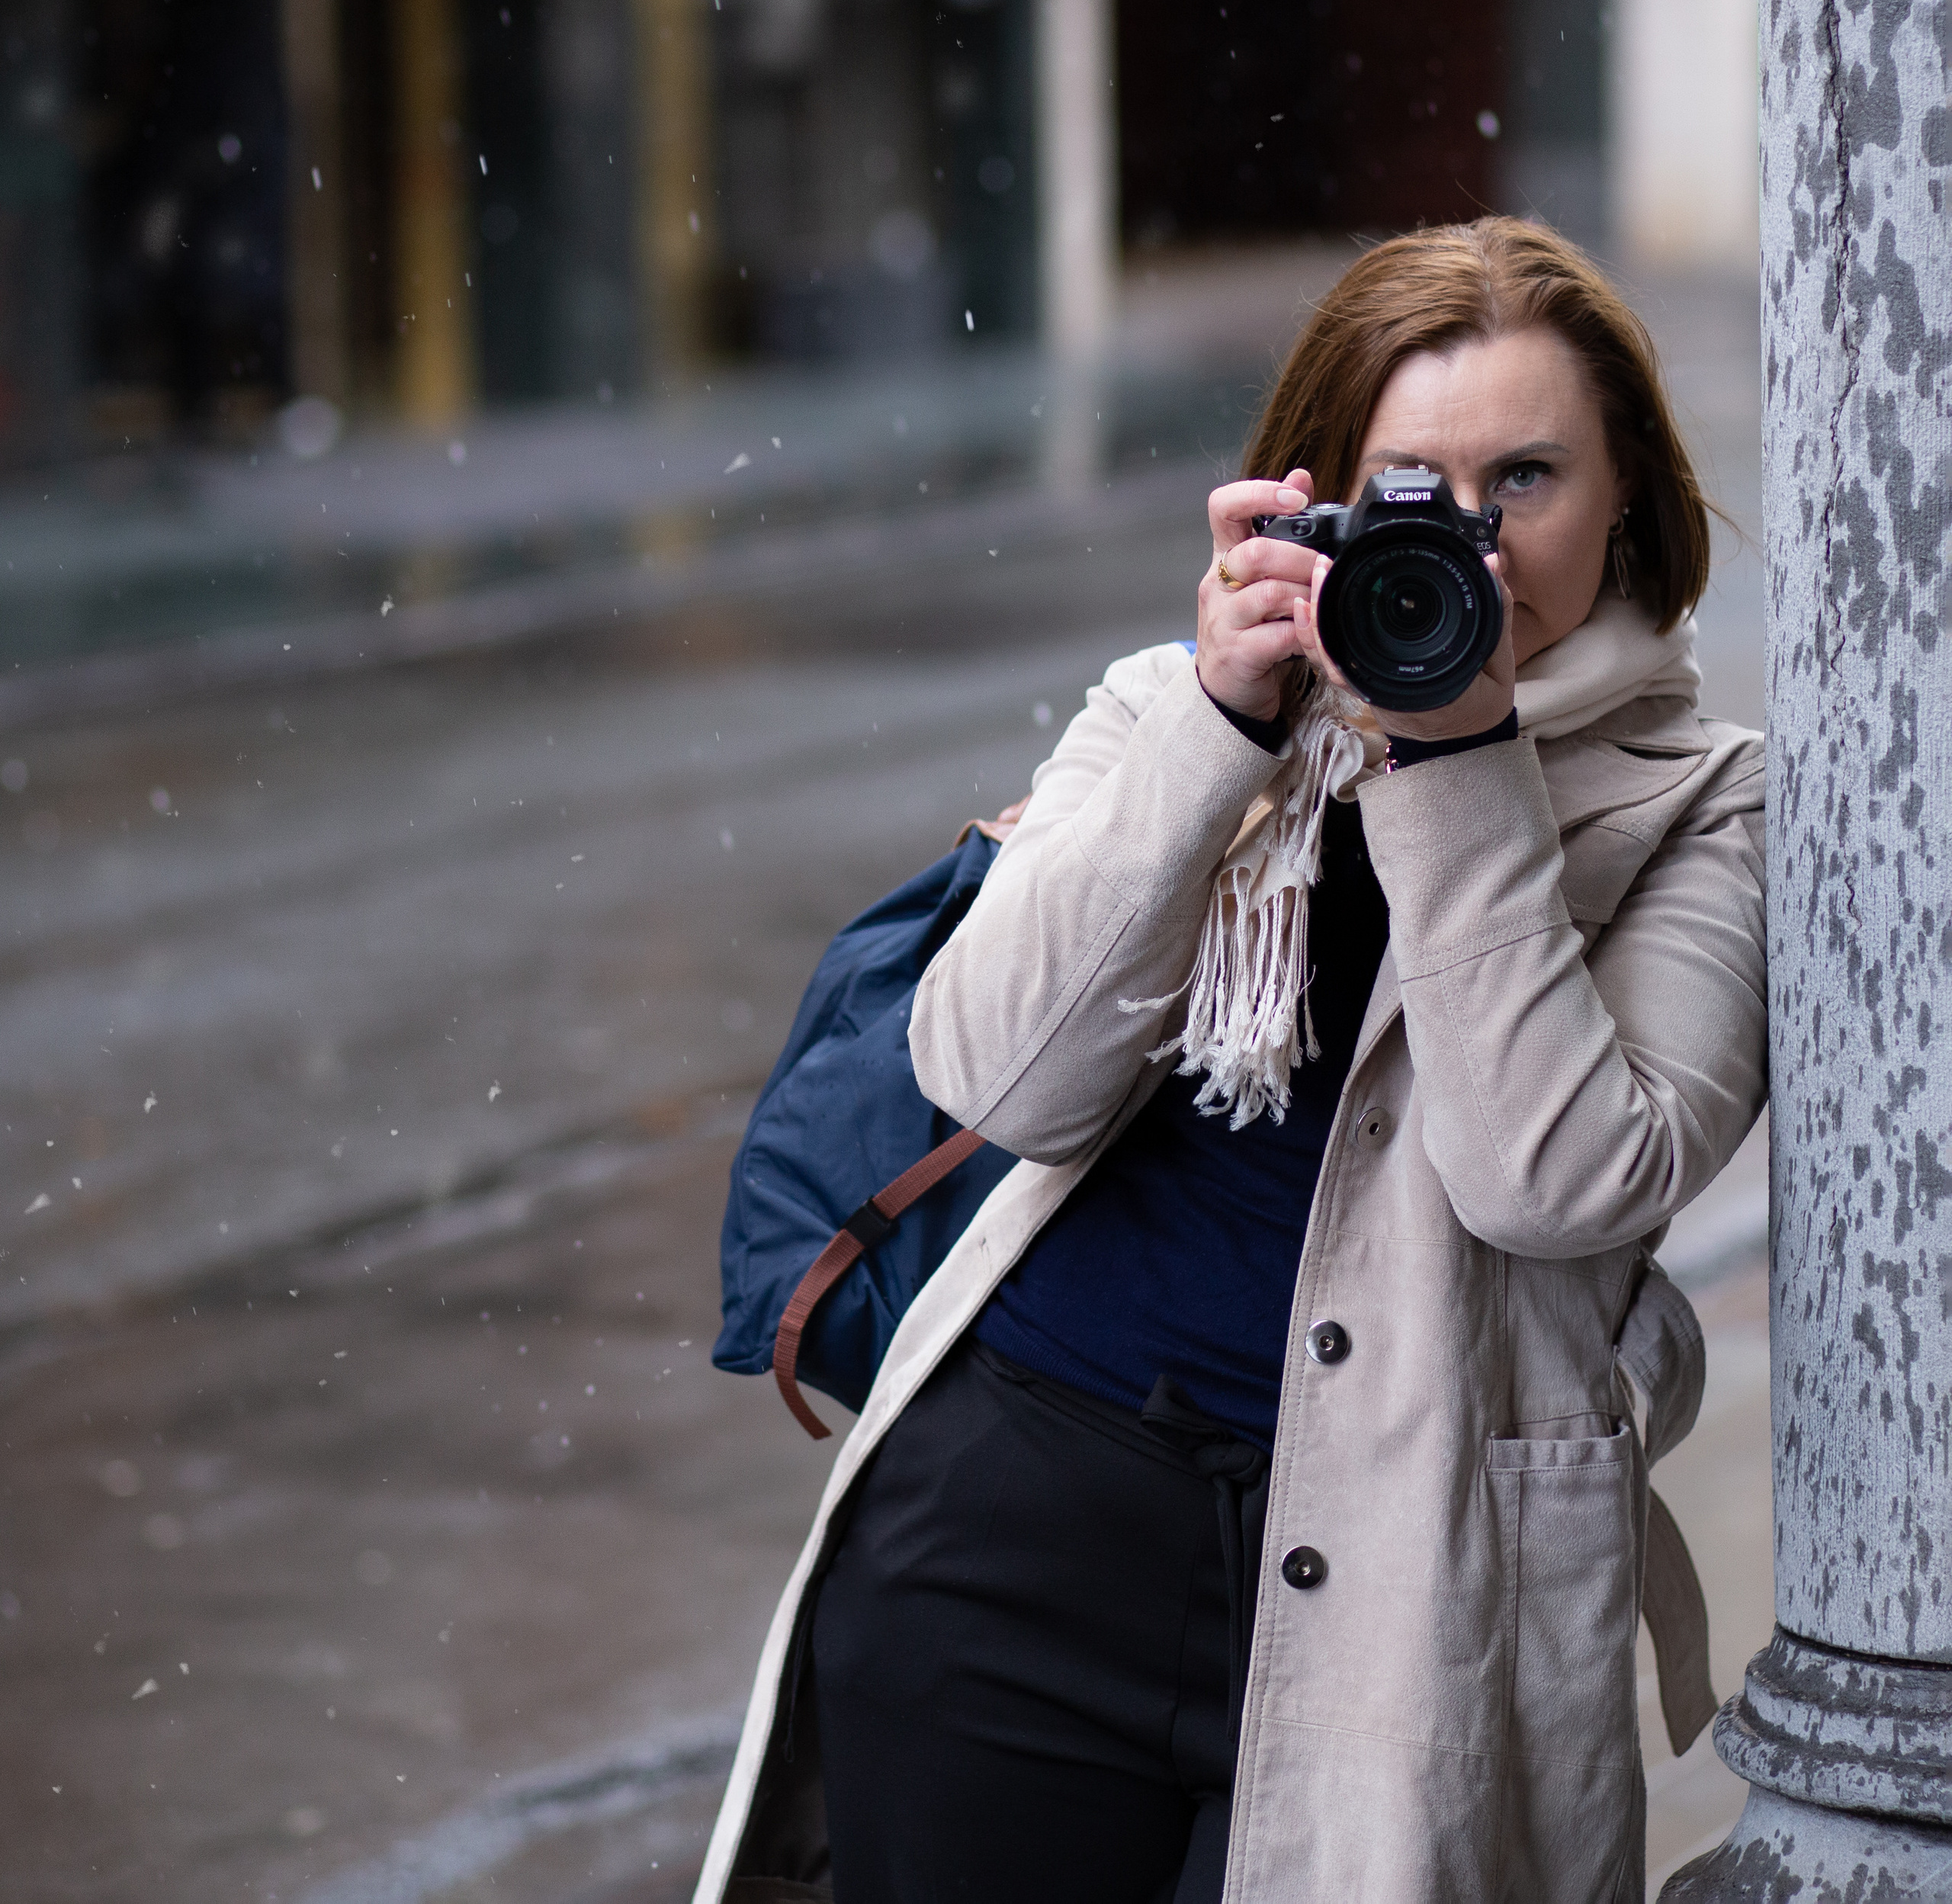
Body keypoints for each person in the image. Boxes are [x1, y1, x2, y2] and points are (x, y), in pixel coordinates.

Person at [696, 217, 1766, 1903]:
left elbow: (1557, 1182)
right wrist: (1216, 726)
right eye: (1410, 486)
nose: (1468, 541)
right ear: (1313, 498)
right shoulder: (1173, 710)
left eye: (1526, 479)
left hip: (1414, 1587)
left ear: (1624, 487)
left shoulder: (1707, 801)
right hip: (1013, 1536)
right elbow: (1002, 1079)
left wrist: (1461, 759)